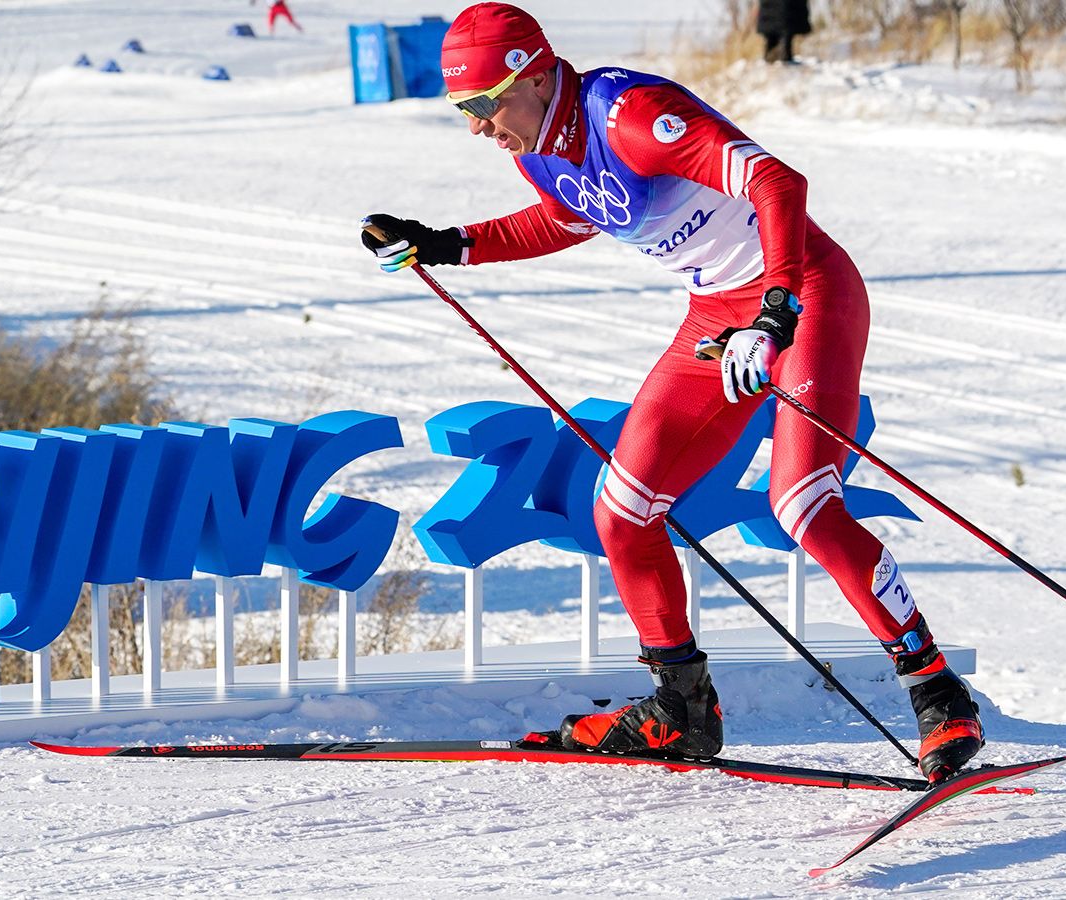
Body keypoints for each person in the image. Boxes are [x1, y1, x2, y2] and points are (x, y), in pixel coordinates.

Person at [360, 3, 983, 782]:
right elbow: (566, 217)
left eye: (484, 106)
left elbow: (774, 179)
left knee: (802, 503)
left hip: (804, 293)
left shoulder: (630, 114)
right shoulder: (538, 149)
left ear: (532, 73)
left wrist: (776, 309)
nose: (479, 129)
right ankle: (681, 708)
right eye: (463, 112)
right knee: (621, 510)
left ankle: (937, 691)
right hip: (718, 314)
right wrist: (449, 244)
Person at [757, 0, 811, 65]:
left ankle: (772, 58)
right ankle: (783, 58)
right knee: (784, 38)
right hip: (786, 13)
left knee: (773, 39)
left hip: (774, 12)